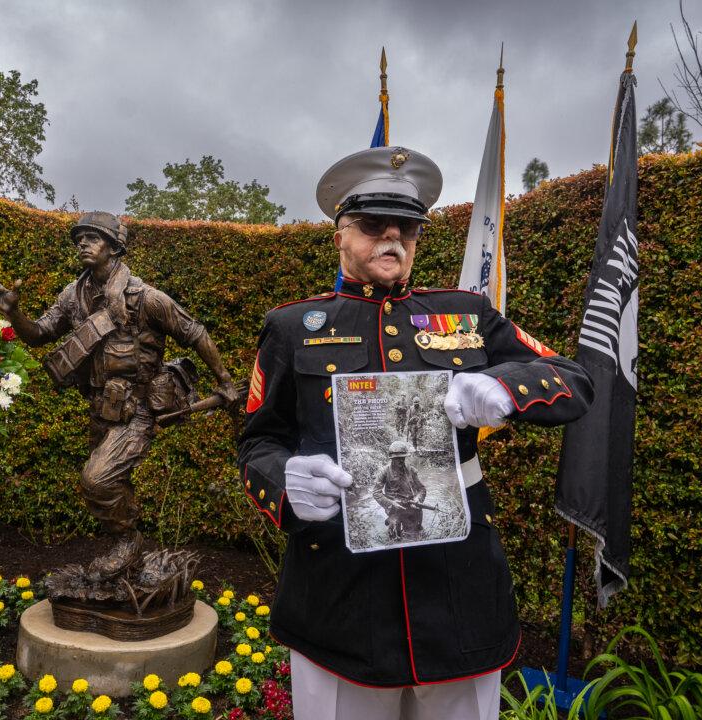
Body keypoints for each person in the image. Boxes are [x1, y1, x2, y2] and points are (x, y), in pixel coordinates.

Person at [238, 147, 594, 720]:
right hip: (340, 593)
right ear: (340, 235)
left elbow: (573, 380)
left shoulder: (467, 314)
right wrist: (285, 485)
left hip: (457, 586)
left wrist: (506, 387)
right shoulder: (293, 327)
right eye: (374, 223)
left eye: (406, 226)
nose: (392, 236)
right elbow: (258, 440)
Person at [0, 211, 238, 557]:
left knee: (97, 479)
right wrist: (13, 314)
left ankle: (128, 542)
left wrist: (224, 382)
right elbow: (40, 334)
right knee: (103, 484)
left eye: (92, 238)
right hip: (102, 408)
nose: (83, 244)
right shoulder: (71, 296)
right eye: (79, 240)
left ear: (114, 247)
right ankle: (128, 557)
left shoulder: (144, 297)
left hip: (139, 409)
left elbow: (195, 332)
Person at [372, 440, 426, 542]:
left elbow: (422, 489)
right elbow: (376, 492)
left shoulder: (412, 470)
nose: (401, 461)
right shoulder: (385, 472)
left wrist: (417, 499)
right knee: (393, 538)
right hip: (393, 509)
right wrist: (391, 502)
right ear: (392, 459)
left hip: (411, 508)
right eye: (397, 459)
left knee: (413, 537)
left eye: (403, 458)